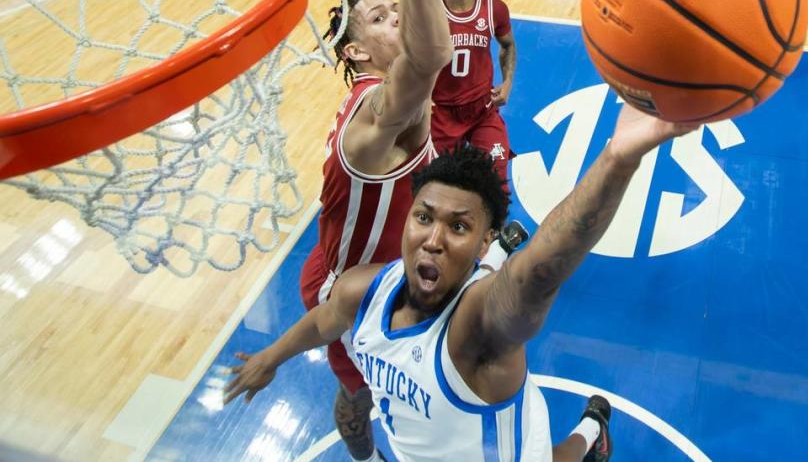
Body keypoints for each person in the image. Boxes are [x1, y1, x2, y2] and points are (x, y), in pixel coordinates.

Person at [228, 106, 696, 460]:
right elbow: (324, 322)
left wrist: (618, 158)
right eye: (424, 217)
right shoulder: (361, 290)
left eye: (457, 227)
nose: (432, 239)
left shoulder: (480, 329)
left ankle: (592, 431)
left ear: (482, 240)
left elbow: (540, 272)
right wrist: (271, 356)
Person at [296, 0, 489, 462]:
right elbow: (427, 59)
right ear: (355, 50)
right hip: (352, 295)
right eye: (380, 18)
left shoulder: (405, 101)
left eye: (398, 9)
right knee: (364, 398)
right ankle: (369, 457)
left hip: (383, 264)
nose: (398, 18)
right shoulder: (377, 115)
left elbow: (426, 54)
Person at [432, 0, 517, 181]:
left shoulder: (494, 9)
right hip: (441, 113)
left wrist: (507, 82)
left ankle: (495, 220)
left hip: (483, 110)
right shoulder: (428, 11)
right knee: (436, 184)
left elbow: (508, 45)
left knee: (495, 183)